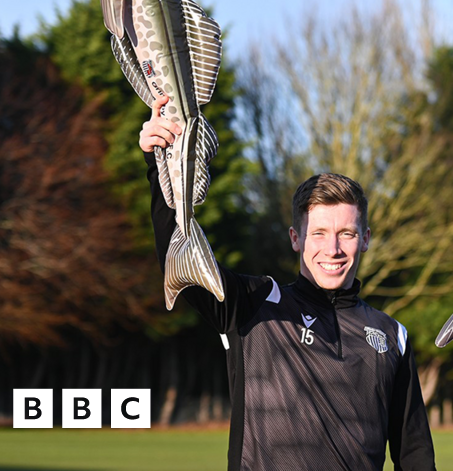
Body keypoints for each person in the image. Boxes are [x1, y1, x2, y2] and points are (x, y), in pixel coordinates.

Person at [140, 95, 435, 471]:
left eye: (346, 233)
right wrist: (158, 162)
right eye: (318, 234)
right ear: (296, 238)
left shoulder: (392, 335)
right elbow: (178, 258)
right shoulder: (253, 305)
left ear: (365, 238)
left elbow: (415, 456)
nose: (333, 248)